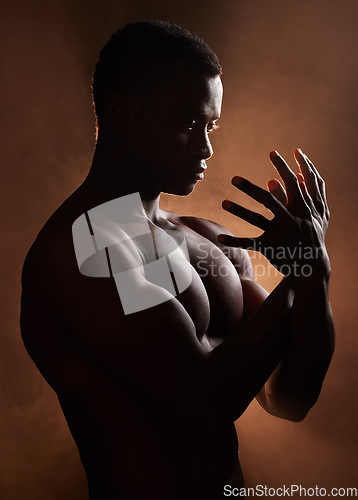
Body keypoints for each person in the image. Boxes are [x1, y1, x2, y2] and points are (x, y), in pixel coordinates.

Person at [20, 20, 335, 500]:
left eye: (211, 125)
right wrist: (303, 275)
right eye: (189, 123)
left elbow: (288, 398)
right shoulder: (84, 247)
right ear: (122, 113)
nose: (206, 147)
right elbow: (202, 404)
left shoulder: (203, 236)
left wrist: (312, 278)